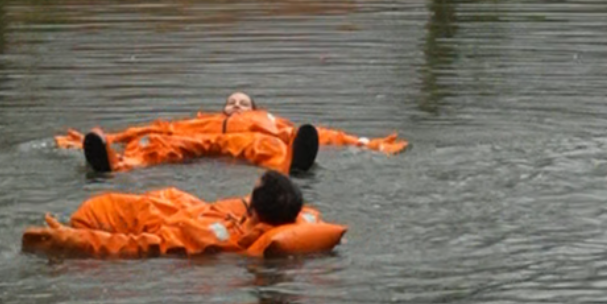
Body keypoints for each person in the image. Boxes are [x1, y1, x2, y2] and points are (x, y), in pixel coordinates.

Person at [22, 167, 341, 258]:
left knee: (103, 211)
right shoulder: (297, 212)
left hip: (119, 217)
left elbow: (144, 244)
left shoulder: (213, 237)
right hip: (183, 205)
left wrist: (74, 240)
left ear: (256, 213)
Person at [62, 102, 402, 172]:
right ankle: (114, 162)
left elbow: (325, 134)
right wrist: (115, 137)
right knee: (159, 143)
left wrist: (367, 143)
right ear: (222, 108)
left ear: (255, 107)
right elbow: (159, 127)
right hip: (202, 143)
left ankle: (291, 163)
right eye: (231, 101)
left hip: (248, 143)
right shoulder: (206, 121)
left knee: (268, 146)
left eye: (243, 101)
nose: (236, 104)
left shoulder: (265, 121)